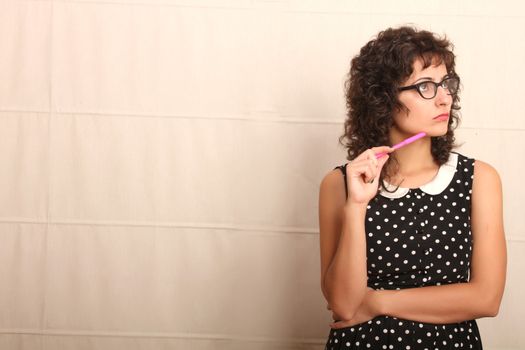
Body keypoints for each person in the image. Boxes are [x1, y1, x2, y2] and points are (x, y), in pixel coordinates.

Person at [318, 26, 506, 349]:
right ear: (384, 98)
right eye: (425, 87)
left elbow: (487, 298)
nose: (445, 97)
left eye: (446, 84)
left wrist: (378, 302)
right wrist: (356, 207)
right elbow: (345, 305)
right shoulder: (340, 185)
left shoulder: (480, 180)